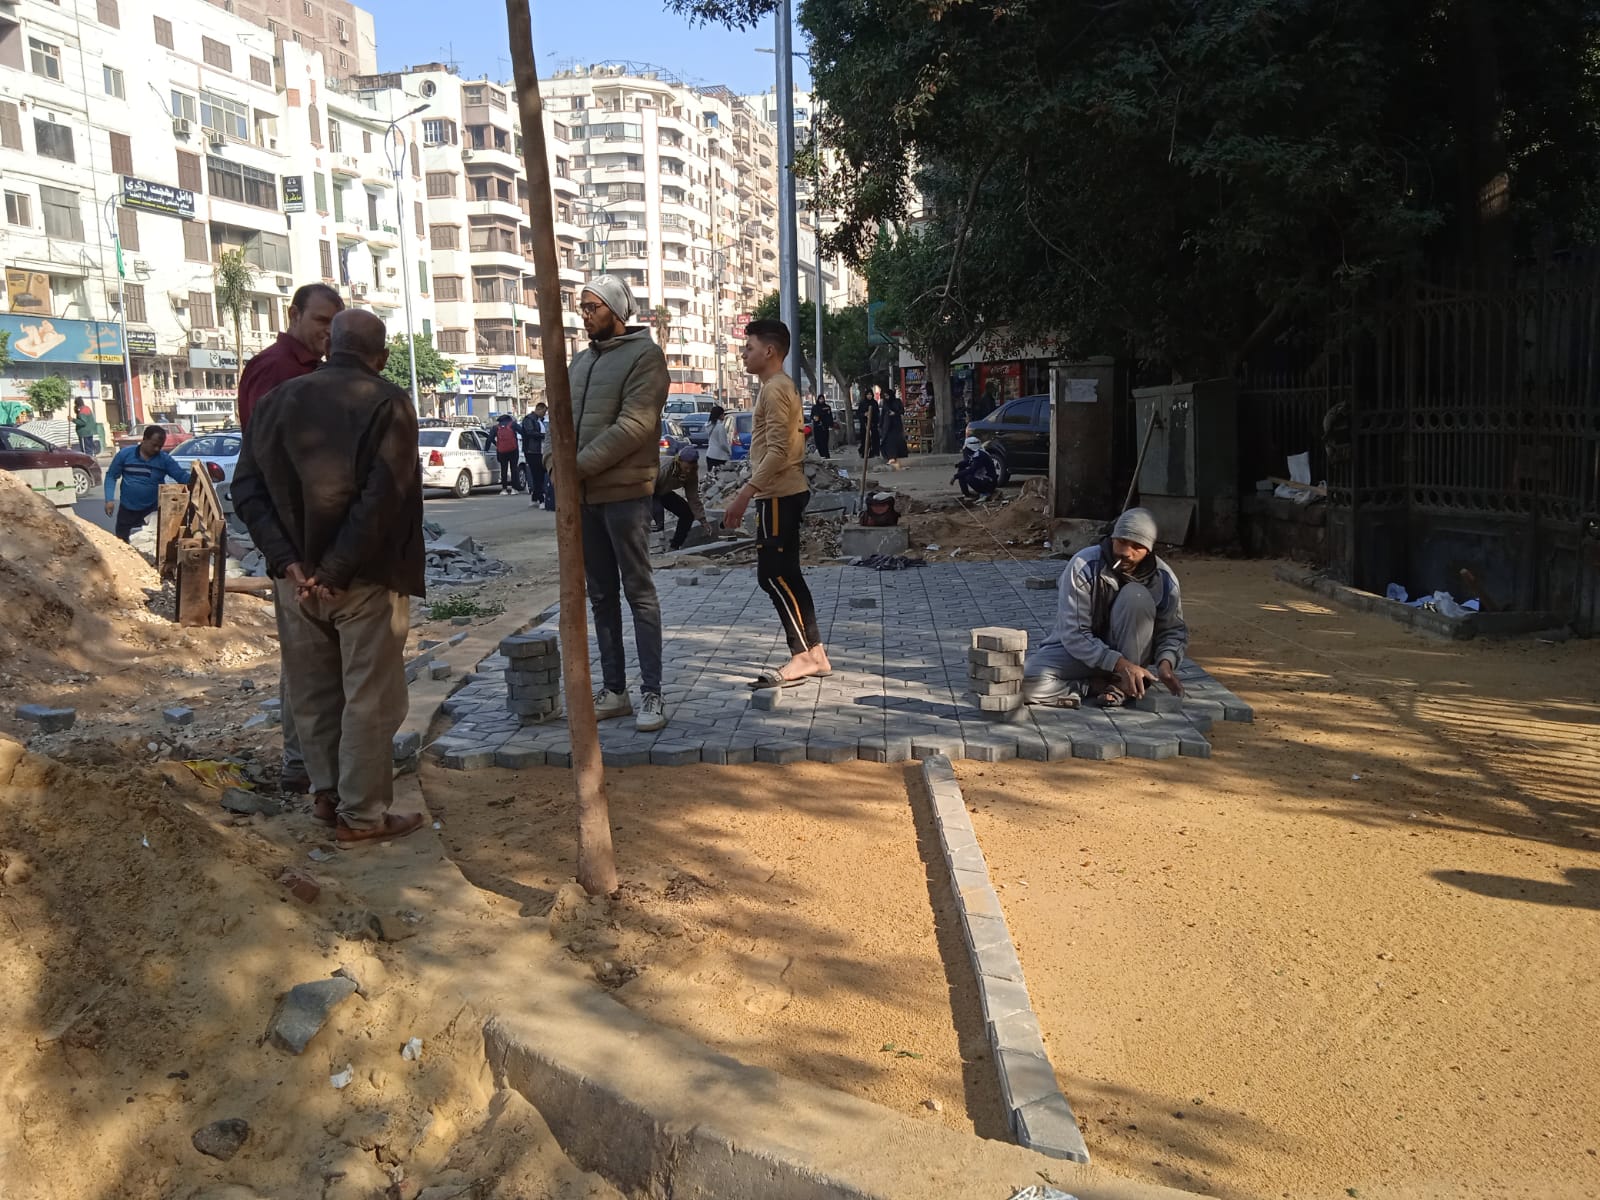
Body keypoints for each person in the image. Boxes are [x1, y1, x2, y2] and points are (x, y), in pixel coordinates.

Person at [232, 310, 426, 845]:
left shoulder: (275, 402)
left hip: (295, 581)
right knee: (370, 698)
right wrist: (335, 568)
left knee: (314, 692)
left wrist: (289, 561)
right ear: (381, 357)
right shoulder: (388, 402)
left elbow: (246, 490)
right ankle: (362, 816)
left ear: (329, 346)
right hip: (363, 579)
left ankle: (326, 797)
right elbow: (383, 496)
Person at [556, 274, 670, 731]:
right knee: (601, 596)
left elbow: (634, 427)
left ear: (618, 311)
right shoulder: (581, 362)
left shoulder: (646, 357)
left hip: (625, 496)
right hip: (584, 497)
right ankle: (615, 689)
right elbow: (560, 419)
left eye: (593, 307)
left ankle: (652, 693)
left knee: (638, 593)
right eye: (582, 307)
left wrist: (574, 468)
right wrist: (553, 460)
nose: (585, 315)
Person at [721, 319, 832, 687]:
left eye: (749, 347)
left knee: (772, 575)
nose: (744, 354)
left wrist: (744, 494)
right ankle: (815, 653)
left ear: (769, 351)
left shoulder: (774, 389)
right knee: (787, 574)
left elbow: (779, 451)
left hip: (778, 494)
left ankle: (802, 655)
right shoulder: (779, 387)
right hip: (782, 492)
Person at [1021, 508, 1188, 710]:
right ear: (1112, 538)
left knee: (1135, 596)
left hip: (1130, 655)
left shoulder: (1164, 579)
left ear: (1149, 550)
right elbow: (1074, 634)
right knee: (1019, 683)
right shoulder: (1083, 565)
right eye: (1121, 541)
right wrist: (1117, 663)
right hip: (1081, 651)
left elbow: (1173, 631)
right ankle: (1090, 686)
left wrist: (1166, 663)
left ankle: (1123, 684)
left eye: (1137, 546)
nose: (1126, 552)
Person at [236, 283, 344, 430]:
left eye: (336, 324)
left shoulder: (317, 366)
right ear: (294, 315)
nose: (330, 330)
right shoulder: (275, 365)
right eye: (322, 321)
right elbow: (268, 435)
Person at [103, 425, 192, 541]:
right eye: (154, 445)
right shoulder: (125, 455)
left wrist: (196, 478)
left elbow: (181, 476)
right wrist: (109, 500)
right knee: (122, 543)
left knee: (150, 543)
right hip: (127, 509)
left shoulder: (164, 460)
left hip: (152, 510)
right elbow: (111, 476)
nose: (157, 449)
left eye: (160, 446)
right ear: (144, 439)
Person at [653, 446, 714, 551]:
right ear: (679, 461)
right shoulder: (664, 468)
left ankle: (674, 547)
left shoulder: (692, 474)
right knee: (658, 517)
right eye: (686, 468)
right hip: (647, 490)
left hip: (663, 492)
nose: (688, 471)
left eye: (691, 468)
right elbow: (646, 489)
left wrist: (703, 520)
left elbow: (693, 497)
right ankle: (654, 549)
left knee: (687, 514)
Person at [953, 435, 999, 501]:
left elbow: (972, 469)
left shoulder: (980, 455)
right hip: (984, 479)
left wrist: (956, 476)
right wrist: (960, 464)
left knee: (967, 476)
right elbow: (969, 461)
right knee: (961, 470)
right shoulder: (977, 453)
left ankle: (985, 493)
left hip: (989, 482)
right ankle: (966, 494)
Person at [520, 402, 547, 505]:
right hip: (532, 451)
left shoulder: (539, 420)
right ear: (538, 409)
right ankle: (541, 499)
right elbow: (530, 432)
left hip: (540, 450)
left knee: (540, 474)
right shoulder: (529, 419)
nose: (544, 414)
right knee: (537, 474)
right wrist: (543, 435)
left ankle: (535, 497)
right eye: (543, 412)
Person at [879, 388, 908, 468]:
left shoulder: (897, 401)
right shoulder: (885, 403)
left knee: (897, 441)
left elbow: (902, 411)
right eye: (885, 396)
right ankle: (891, 457)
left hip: (896, 425)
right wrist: (881, 425)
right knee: (888, 442)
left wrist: (895, 413)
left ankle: (897, 456)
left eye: (887, 396)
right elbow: (883, 414)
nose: (887, 397)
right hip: (887, 426)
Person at [493, 413, 521, 494]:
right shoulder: (513, 425)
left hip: (501, 451)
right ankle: (514, 489)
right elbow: (523, 432)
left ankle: (504, 489)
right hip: (513, 450)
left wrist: (496, 444)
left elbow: (490, 438)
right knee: (514, 469)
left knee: (503, 469)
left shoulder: (496, 427)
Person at [704, 404, 731, 475]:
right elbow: (723, 443)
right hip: (720, 456)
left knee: (711, 476)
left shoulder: (708, 425)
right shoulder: (720, 427)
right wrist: (729, 451)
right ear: (720, 415)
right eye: (723, 414)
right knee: (719, 477)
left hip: (710, 454)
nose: (724, 416)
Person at [857, 387, 881, 460]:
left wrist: (875, 420)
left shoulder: (874, 403)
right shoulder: (863, 403)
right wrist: (864, 414)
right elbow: (859, 413)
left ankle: (874, 452)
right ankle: (864, 452)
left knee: (875, 439)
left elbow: (877, 413)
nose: (869, 396)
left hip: (873, 424)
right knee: (865, 439)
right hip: (865, 424)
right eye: (868, 394)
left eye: (870, 394)